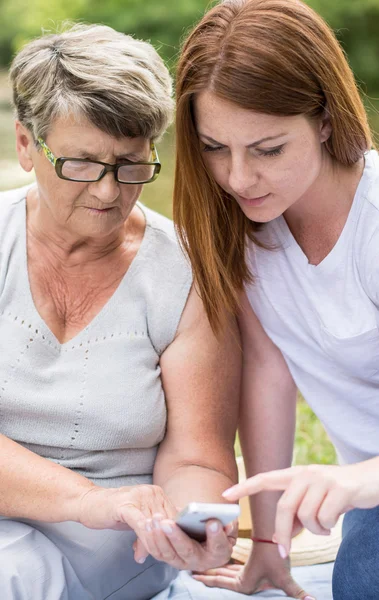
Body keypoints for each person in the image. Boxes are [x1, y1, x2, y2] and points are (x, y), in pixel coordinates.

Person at [0, 23, 241, 600]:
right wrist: (88, 501)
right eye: (81, 164)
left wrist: (192, 524)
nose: (109, 192)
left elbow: (197, 455)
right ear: (26, 145)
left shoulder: (188, 273)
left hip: (122, 552)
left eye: (131, 164)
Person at [173, 0, 379, 598]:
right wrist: (268, 545)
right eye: (215, 147)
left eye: (267, 150)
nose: (238, 179)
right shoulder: (246, 235)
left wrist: (364, 480)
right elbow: (267, 372)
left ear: (323, 119)